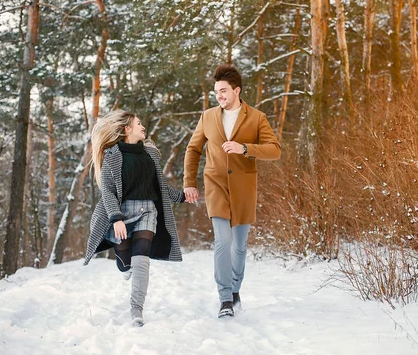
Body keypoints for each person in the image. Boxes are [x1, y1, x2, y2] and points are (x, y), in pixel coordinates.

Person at [183, 64, 281, 318]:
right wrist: (189, 183)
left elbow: (274, 149)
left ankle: (236, 289)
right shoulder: (208, 117)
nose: (220, 96)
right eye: (217, 92)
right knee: (222, 241)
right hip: (215, 185)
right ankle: (225, 298)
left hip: (244, 188)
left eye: (224, 91)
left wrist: (245, 149)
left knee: (239, 245)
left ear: (237, 90)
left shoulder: (257, 117)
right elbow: (193, 150)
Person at [84, 110, 192, 326]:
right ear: (127, 128)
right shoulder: (112, 156)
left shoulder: (150, 154)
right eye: (139, 123)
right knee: (125, 262)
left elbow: (159, 187)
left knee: (141, 259)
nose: (143, 127)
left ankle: (136, 310)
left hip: (147, 212)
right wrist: (116, 218)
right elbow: (108, 191)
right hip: (121, 212)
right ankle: (126, 267)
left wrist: (181, 196)